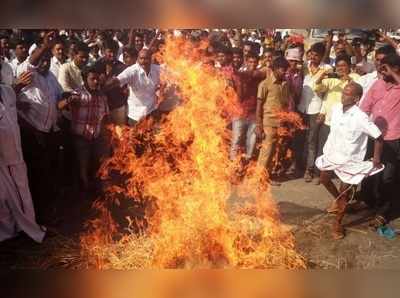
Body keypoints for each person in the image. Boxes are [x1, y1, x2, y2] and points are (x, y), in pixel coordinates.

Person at [316, 82, 383, 240]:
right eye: (343, 92)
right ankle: (340, 202)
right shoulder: (336, 109)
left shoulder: (361, 117)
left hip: (350, 161)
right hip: (332, 155)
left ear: (356, 98)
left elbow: (379, 137)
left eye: (347, 94)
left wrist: (377, 158)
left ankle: (338, 223)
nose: (343, 96)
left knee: (344, 192)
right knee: (324, 179)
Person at [15, 32, 64, 219]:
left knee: (49, 172)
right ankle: (36, 214)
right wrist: (44, 45)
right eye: (42, 60)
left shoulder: (51, 77)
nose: (45, 63)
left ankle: (47, 209)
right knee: (36, 174)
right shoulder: (29, 72)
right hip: (33, 133)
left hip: (50, 132)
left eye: (48, 60)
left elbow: (59, 96)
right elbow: (31, 62)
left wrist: (68, 98)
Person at [0, 79, 46, 243]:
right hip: (2, 159)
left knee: (22, 195)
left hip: (15, 157)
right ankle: (8, 233)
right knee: (3, 198)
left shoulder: (7, 92)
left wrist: (34, 131)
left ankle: (29, 231)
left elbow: (16, 116)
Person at [360, 54, 400, 228]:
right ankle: (369, 204)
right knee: (369, 174)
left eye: (388, 67)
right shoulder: (377, 84)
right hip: (373, 137)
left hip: (393, 139)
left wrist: (393, 73)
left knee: (387, 178)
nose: (383, 70)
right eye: (382, 67)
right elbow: (364, 108)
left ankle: (384, 212)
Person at [57, 66, 109, 191]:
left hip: (96, 138)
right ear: (85, 80)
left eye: (97, 79)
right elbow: (59, 106)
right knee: (82, 167)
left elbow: (106, 116)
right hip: (81, 139)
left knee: (99, 166)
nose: (95, 82)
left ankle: (99, 193)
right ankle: (83, 193)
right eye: (92, 79)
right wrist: (69, 100)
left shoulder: (102, 96)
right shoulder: (77, 93)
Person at [313, 54, 360, 184]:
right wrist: (322, 76)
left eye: (343, 65)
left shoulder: (355, 77)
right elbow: (317, 88)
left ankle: (341, 177)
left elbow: (360, 91)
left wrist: (348, 79)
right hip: (329, 120)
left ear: (349, 66)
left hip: (345, 123)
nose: (341, 68)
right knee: (325, 149)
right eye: (338, 66)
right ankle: (320, 175)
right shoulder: (332, 80)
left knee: (342, 150)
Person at [297, 42, 332, 183]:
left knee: (312, 140)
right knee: (299, 138)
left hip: (315, 109)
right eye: (311, 54)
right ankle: (297, 165)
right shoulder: (305, 66)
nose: (313, 57)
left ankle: (309, 170)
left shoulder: (327, 69)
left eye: (316, 55)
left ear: (322, 56)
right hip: (301, 108)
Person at [255, 56, 290, 185]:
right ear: (274, 69)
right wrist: (259, 125)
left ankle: (266, 177)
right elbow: (259, 105)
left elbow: (285, 104)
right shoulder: (265, 84)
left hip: (280, 123)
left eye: (286, 70)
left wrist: (286, 120)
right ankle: (259, 179)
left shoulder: (285, 84)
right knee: (266, 152)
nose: (285, 72)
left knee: (273, 152)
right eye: (282, 69)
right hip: (268, 122)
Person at [106, 49, 161, 126]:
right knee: (133, 138)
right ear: (137, 59)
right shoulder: (132, 71)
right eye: (141, 58)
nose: (143, 61)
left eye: (146, 58)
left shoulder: (157, 69)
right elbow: (117, 80)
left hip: (151, 113)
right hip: (135, 116)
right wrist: (104, 86)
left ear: (151, 59)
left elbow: (173, 72)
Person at [94, 38, 127, 125]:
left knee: (120, 134)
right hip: (100, 108)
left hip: (118, 107)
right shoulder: (96, 66)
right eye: (109, 52)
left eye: (115, 52)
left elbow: (126, 89)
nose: (112, 55)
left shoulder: (122, 68)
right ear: (103, 51)